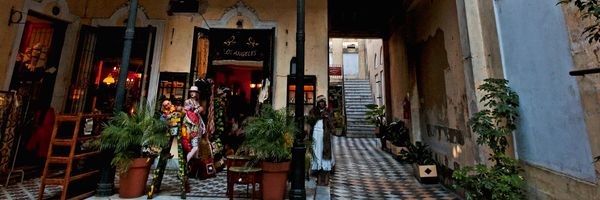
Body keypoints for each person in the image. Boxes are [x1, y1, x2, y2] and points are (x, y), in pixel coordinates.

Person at [309, 95, 335, 186]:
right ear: (317, 103)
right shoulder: (313, 111)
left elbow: (332, 126)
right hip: (315, 135)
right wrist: (319, 116)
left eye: (323, 101)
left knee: (326, 156)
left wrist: (327, 117)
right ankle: (319, 179)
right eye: (320, 101)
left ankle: (326, 180)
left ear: (325, 103)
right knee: (317, 155)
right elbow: (310, 121)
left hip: (325, 136)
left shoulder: (329, 111)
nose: (322, 103)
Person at [184, 86, 206, 162]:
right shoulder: (188, 101)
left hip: (196, 124)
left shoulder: (197, 102)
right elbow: (187, 111)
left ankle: (193, 163)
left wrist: (199, 108)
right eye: (191, 92)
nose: (192, 93)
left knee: (196, 145)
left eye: (194, 92)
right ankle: (186, 160)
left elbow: (199, 113)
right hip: (190, 124)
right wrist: (196, 108)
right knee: (194, 145)